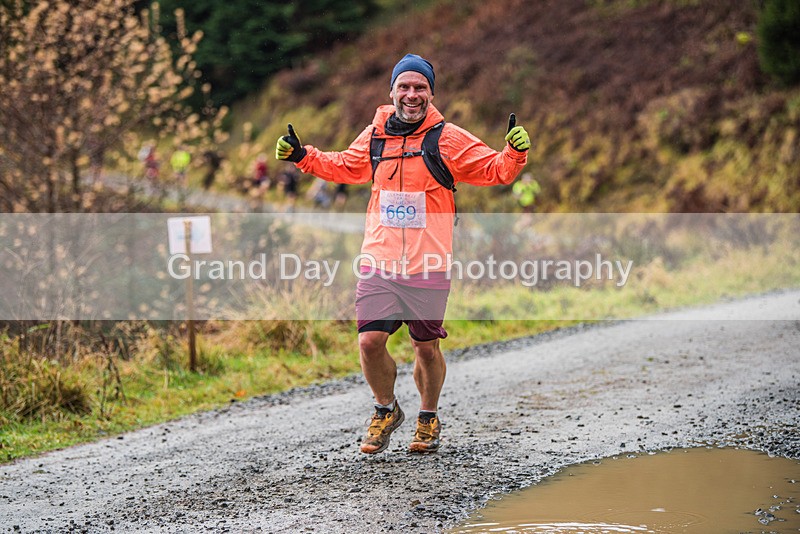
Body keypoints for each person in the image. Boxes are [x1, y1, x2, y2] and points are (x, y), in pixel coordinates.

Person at [275, 53, 530, 454]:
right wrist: (302, 156)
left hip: (429, 263)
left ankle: (428, 417)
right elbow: (345, 166)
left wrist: (515, 153)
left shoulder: (447, 138)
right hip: (380, 258)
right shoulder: (376, 136)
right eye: (404, 87)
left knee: (425, 347)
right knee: (369, 341)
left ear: (431, 93)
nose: (412, 94)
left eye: (420, 87)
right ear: (391, 91)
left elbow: (496, 170)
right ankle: (385, 409)